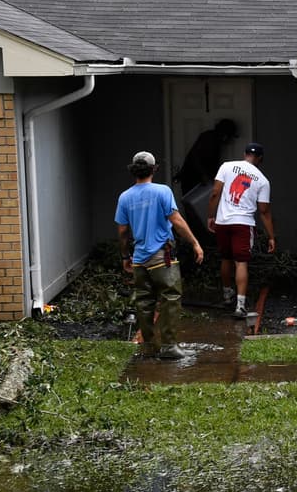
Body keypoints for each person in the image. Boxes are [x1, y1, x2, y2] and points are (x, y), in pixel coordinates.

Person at [115, 151, 205, 359]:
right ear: (154, 169)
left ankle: (149, 347)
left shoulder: (125, 197)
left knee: (144, 302)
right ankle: (169, 347)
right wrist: (195, 243)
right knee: (170, 298)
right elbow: (176, 220)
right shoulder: (162, 191)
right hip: (161, 257)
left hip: (139, 259)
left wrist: (125, 257)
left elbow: (122, 232)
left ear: (133, 170)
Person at [208, 142, 275, 318]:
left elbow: (215, 192)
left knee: (225, 258)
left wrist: (210, 216)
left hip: (223, 221)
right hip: (243, 224)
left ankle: (226, 295)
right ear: (260, 158)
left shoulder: (227, 166)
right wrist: (271, 237)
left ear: (245, 153)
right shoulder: (262, 180)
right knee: (241, 262)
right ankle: (240, 305)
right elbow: (264, 211)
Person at [174, 119, 237, 195]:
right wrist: (204, 175)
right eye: (230, 137)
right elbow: (195, 157)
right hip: (192, 178)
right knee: (193, 202)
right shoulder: (210, 139)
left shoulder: (212, 138)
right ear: (225, 136)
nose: (229, 141)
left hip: (195, 177)